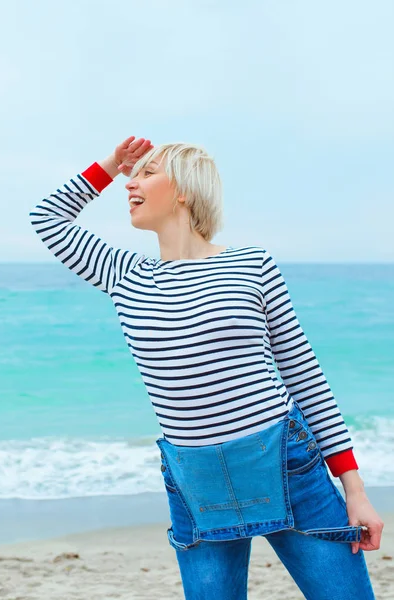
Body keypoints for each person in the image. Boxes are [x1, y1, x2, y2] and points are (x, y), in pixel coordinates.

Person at [30, 136, 383, 599]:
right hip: (195, 482)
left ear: (184, 189)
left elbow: (305, 377)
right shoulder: (125, 274)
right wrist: (112, 164)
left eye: (146, 174)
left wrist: (354, 491)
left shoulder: (252, 264)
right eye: (131, 177)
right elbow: (47, 218)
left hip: (286, 465)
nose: (130, 185)